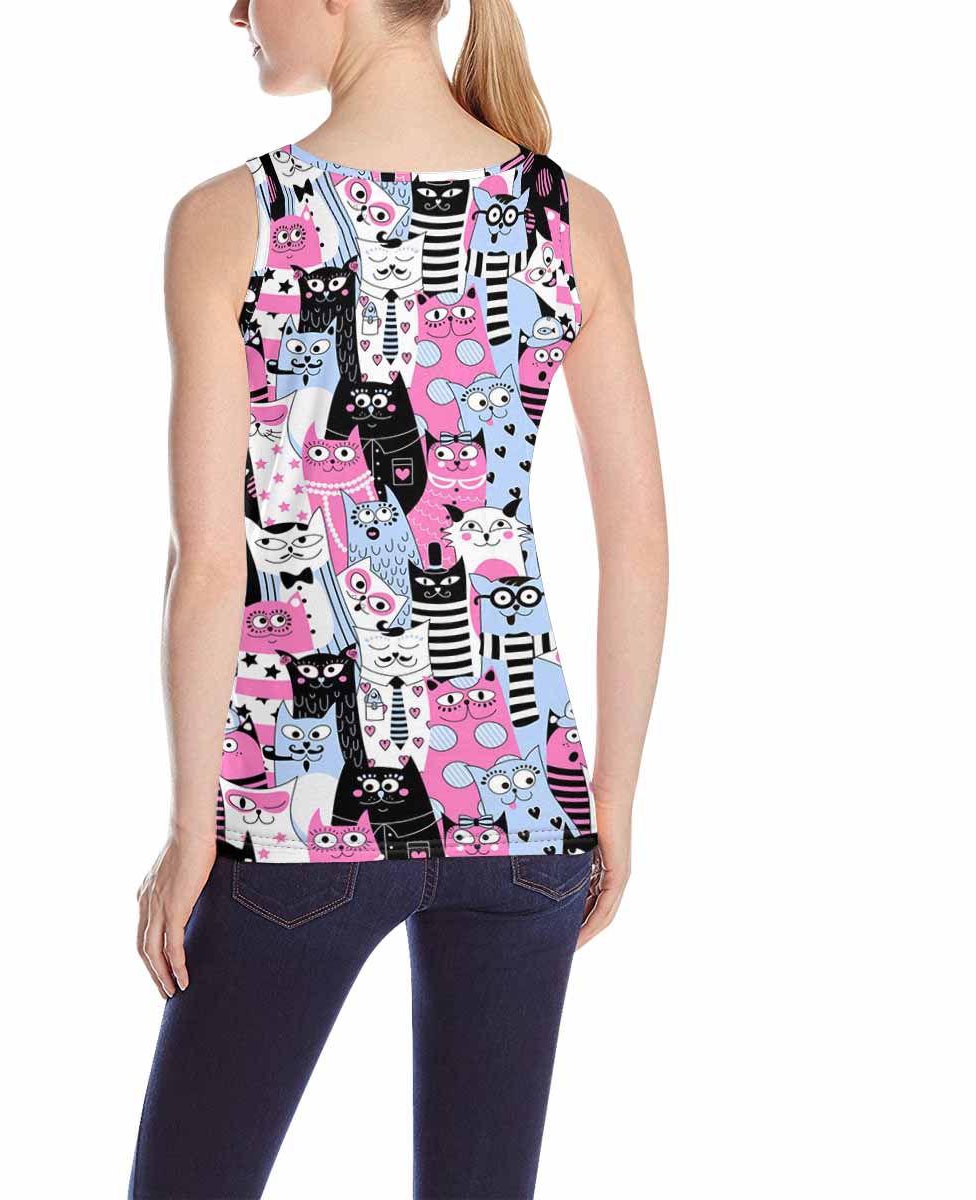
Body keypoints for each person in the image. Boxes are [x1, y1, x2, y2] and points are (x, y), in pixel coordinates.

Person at [129, 0, 667, 1195]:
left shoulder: (232, 218)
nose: (236, 12)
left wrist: (189, 834)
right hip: (526, 811)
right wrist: (612, 804)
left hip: (295, 811)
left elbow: (207, 562)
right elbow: (637, 542)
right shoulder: (568, 215)